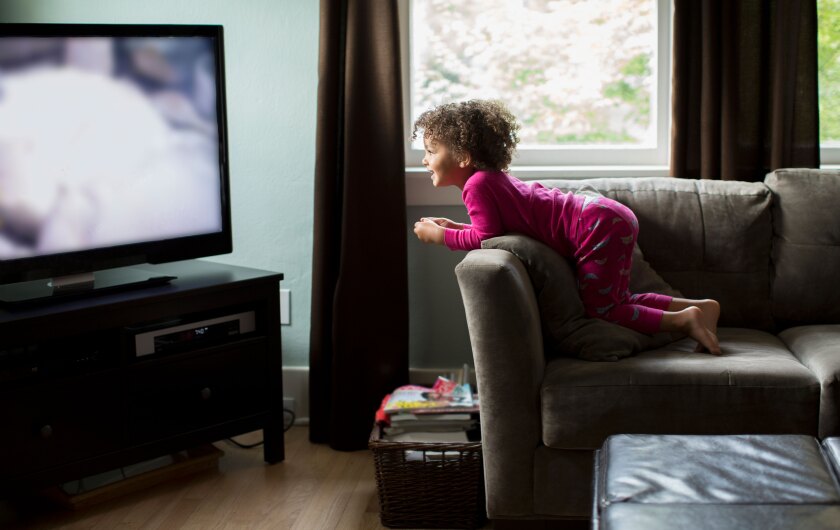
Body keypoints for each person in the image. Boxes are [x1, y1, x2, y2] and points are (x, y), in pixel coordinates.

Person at [412, 100, 721, 355]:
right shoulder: (489, 179)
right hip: (605, 218)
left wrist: (442, 237)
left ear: (464, 157)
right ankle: (699, 307)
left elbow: (486, 236)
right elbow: (492, 227)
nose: (425, 160)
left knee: (602, 309)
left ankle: (683, 321)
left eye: (431, 150)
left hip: (595, 226)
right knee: (619, 298)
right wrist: (454, 226)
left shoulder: (476, 186)